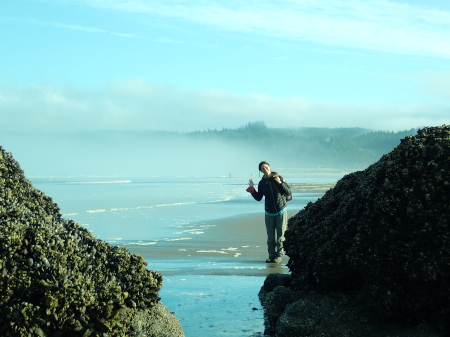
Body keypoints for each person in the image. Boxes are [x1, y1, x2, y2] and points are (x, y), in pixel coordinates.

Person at [246, 161, 291, 263]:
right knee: (270, 237)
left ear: (269, 167)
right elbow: (259, 198)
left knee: (280, 236)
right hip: (269, 213)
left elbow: (288, 191)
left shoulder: (278, 177)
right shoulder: (262, 183)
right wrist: (252, 190)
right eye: (262, 169)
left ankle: (279, 256)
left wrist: (279, 182)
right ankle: (271, 255)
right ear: (261, 171)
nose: (265, 170)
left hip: (281, 211)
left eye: (266, 167)